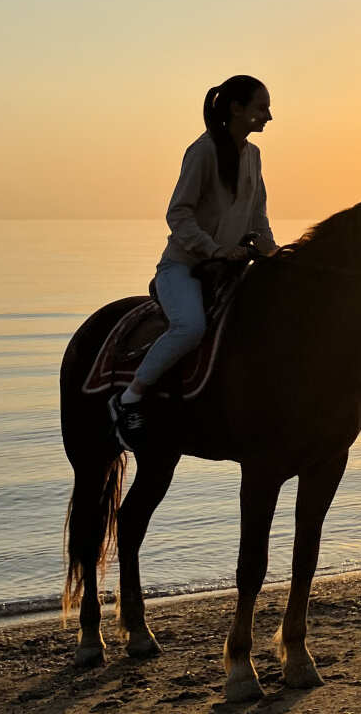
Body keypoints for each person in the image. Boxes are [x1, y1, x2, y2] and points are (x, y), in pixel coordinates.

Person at [110, 75, 278, 450]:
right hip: (183, 268)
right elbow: (179, 214)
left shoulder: (253, 156)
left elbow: (258, 216)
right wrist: (214, 250)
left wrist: (275, 253)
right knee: (189, 328)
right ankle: (129, 399)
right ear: (236, 108)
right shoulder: (202, 152)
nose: (269, 116)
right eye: (261, 108)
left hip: (229, 272)